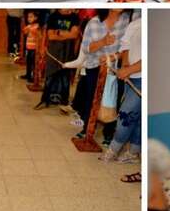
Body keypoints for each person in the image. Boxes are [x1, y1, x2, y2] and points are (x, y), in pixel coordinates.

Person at [71, 9, 130, 143]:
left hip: (115, 68)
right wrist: (103, 42)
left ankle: (109, 132)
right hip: (94, 66)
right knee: (91, 99)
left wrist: (114, 57)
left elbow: (127, 47)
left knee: (114, 99)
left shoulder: (126, 19)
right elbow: (86, 48)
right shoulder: (94, 22)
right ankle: (86, 129)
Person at [102, 13, 142, 165]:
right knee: (132, 116)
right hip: (131, 77)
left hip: (143, 78)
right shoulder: (135, 23)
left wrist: (130, 69)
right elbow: (126, 47)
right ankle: (131, 153)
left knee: (127, 117)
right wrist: (125, 68)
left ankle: (114, 151)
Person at [34, 9, 80, 109]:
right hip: (53, 52)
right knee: (50, 76)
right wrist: (67, 34)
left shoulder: (74, 17)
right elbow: (50, 36)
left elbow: (75, 35)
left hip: (68, 52)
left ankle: (64, 102)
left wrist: (58, 33)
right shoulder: (53, 16)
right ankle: (44, 99)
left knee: (65, 78)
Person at [20, 11, 39, 82]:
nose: (29, 19)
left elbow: (38, 34)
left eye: (31, 17)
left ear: (36, 18)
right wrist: (25, 29)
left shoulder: (37, 26)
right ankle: (28, 74)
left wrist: (32, 30)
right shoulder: (29, 26)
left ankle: (34, 76)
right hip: (28, 47)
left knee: (33, 63)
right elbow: (24, 32)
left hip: (34, 48)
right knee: (28, 62)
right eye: (28, 17)